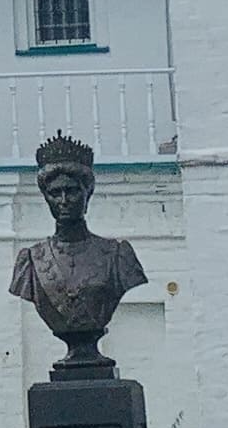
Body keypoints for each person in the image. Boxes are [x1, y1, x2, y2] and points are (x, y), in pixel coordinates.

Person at [9, 133, 146, 372]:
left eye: (72, 191)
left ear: (87, 194)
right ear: (46, 198)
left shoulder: (117, 256)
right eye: (54, 193)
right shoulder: (31, 261)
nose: (63, 200)